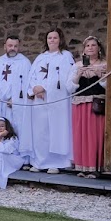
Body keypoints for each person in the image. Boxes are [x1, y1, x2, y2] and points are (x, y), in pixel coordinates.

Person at [26, 29, 75, 173]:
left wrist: (45, 88)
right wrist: (35, 88)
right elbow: (32, 75)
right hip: (40, 101)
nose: (52, 40)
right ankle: (40, 161)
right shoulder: (41, 57)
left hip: (57, 101)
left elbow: (65, 77)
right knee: (40, 131)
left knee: (57, 130)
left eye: (55, 38)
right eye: (49, 38)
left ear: (60, 40)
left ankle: (57, 162)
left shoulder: (65, 56)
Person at [70, 36, 107, 176]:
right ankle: (81, 167)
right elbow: (70, 88)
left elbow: (109, 86)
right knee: (81, 135)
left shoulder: (105, 64)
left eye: (93, 45)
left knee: (94, 135)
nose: (90, 48)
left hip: (96, 104)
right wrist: (77, 76)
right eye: (87, 46)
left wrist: (100, 75)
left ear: (98, 48)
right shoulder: (77, 65)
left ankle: (95, 168)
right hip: (80, 104)